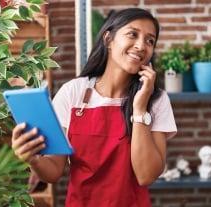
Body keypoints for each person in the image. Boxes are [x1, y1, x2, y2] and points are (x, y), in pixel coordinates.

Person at [11, 8, 177, 207]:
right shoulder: (73, 93)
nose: (141, 46)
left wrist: (140, 109)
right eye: (133, 34)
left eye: (150, 40)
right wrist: (33, 159)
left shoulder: (156, 99)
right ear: (108, 39)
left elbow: (146, 176)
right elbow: (54, 171)